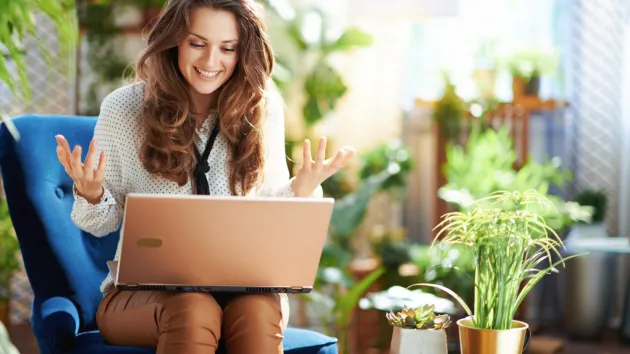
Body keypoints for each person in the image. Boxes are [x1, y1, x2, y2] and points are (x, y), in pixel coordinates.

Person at [54, 0, 355, 353]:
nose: (211, 62)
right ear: (174, 40)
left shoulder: (262, 108)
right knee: (193, 308)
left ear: (243, 51)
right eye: (197, 44)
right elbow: (101, 224)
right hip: (140, 296)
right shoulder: (124, 109)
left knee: (260, 312)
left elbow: (272, 210)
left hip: (245, 291)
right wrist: (91, 193)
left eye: (227, 48)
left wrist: (303, 189)